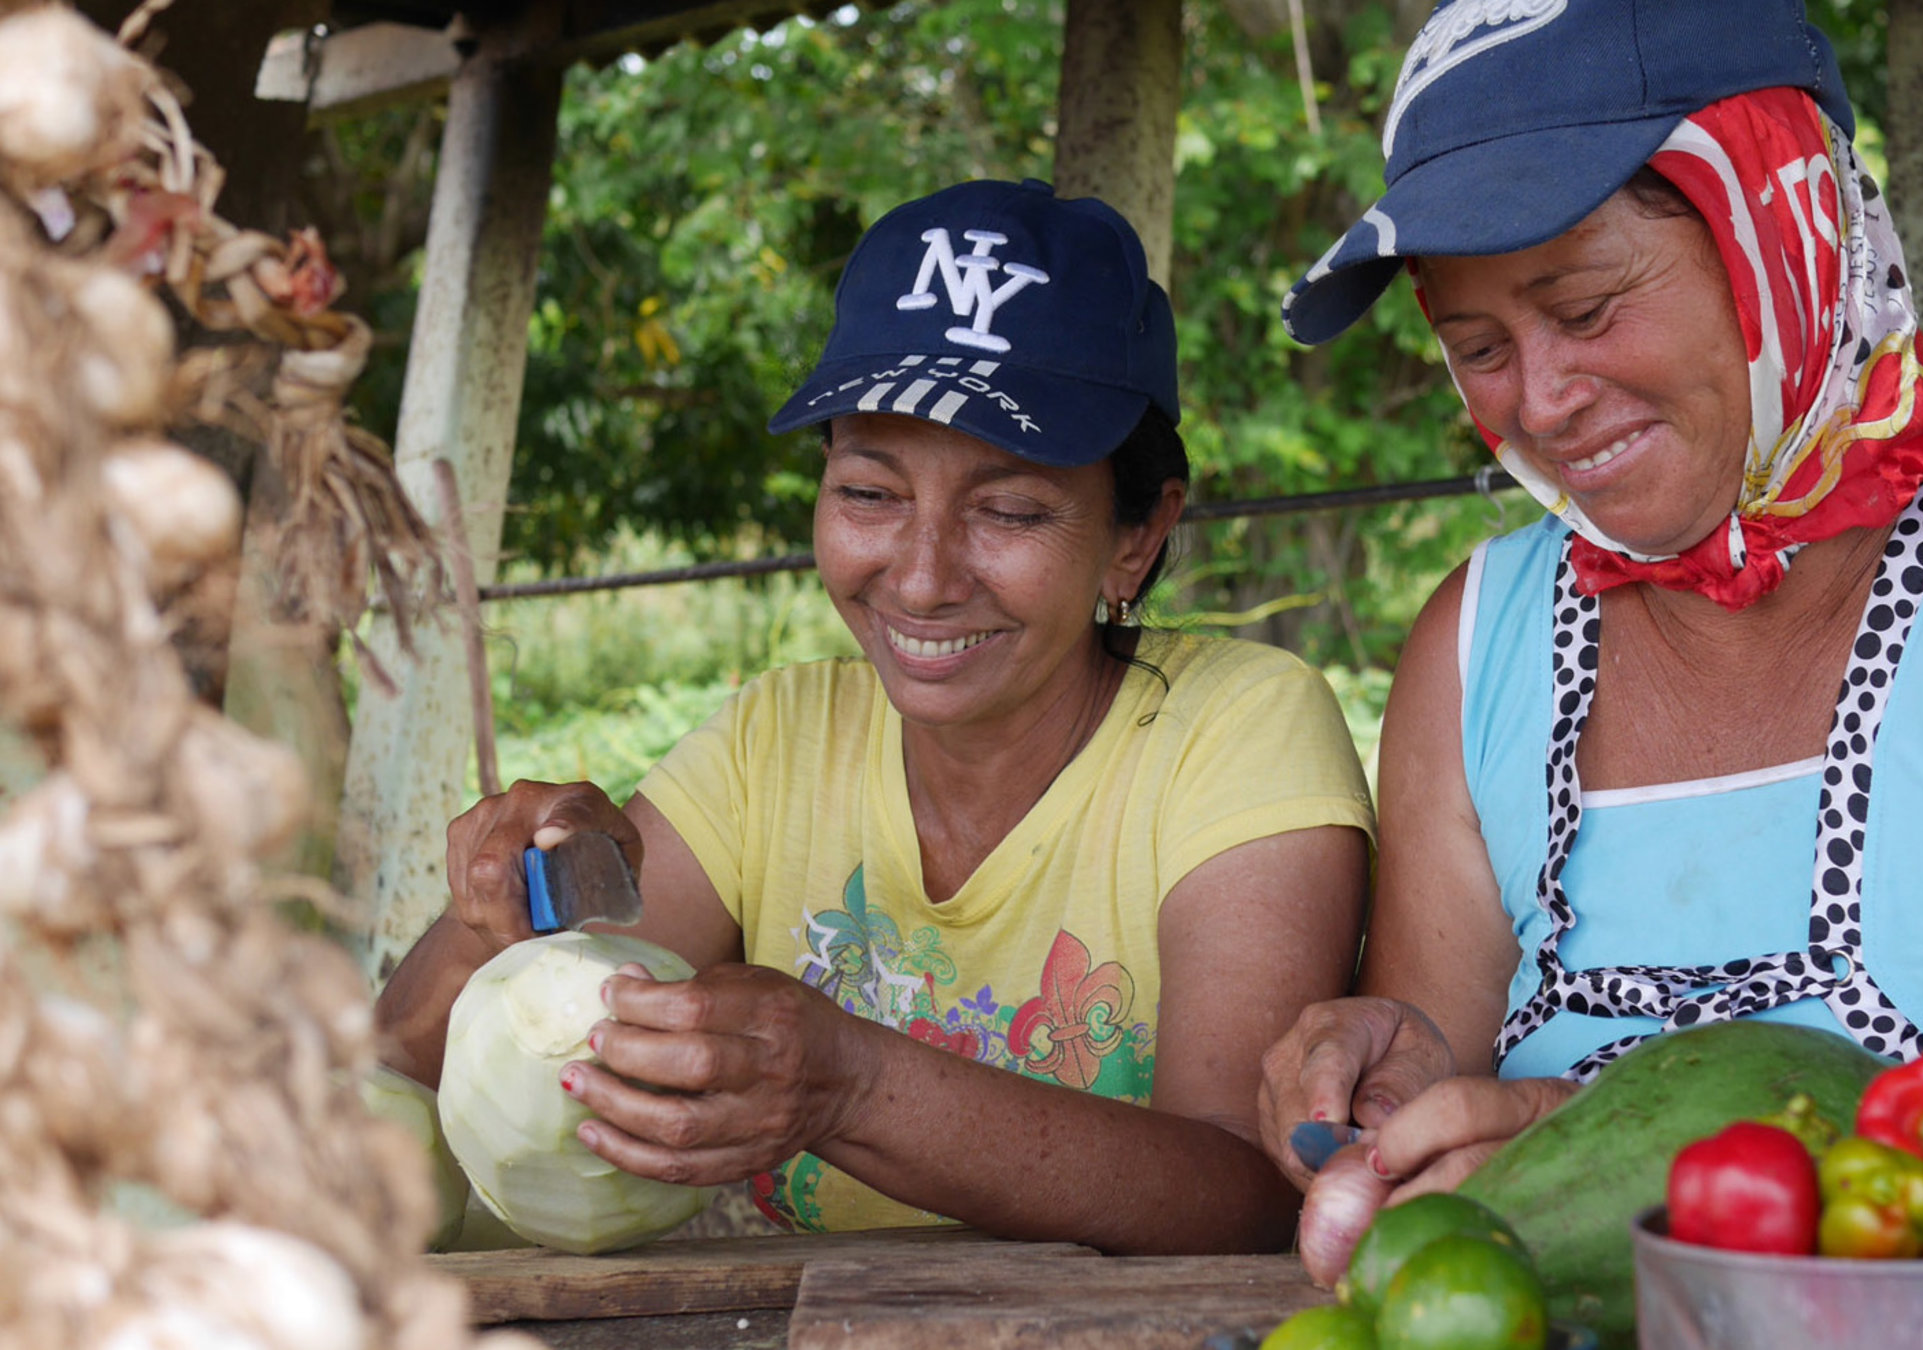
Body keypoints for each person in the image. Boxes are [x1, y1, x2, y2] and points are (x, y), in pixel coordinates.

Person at [1255, 0, 1923, 1206]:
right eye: (1477, 345)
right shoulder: (1477, 647)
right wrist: (1390, 1092)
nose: (1542, 399)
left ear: (1784, 233)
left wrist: (1637, 1164)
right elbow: (1430, 1154)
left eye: (1584, 310)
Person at [376, 179, 1375, 1254]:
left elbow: (1249, 1187)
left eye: (1009, 509)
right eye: (869, 493)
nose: (924, 576)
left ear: (1135, 536)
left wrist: (851, 1085)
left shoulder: (1236, 732)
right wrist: (501, 908)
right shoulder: (780, 742)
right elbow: (401, 1060)